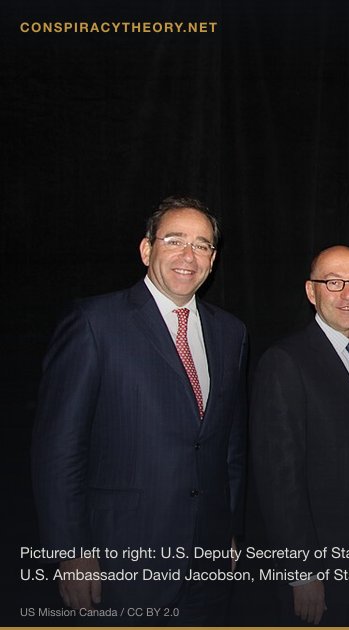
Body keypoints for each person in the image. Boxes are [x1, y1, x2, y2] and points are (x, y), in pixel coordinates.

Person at [31, 196, 247, 624]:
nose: (188, 255)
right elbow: (58, 448)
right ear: (147, 249)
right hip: (120, 562)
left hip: (209, 565)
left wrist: (230, 530)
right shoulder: (94, 323)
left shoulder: (231, 332)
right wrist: (70, 551)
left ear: (213, 259)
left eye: (202, 245)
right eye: (175, 240)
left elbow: (231, 447)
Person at [250, 245, 349, 625]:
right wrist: (301, 571)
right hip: (327, 575)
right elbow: (279, 480)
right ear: (311, 291)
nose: (348, 294)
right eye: (333, 283)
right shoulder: (286, 361)